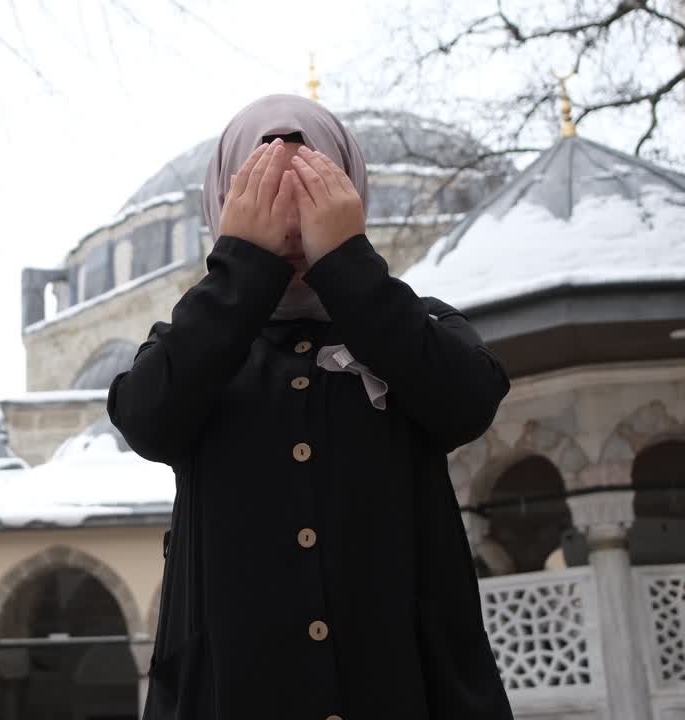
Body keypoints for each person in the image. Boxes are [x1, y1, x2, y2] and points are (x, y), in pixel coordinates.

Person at [108, 94, 515, 720]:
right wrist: (242, 266)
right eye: (264, 194)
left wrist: (348, 265)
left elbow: (466, 402)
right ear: (225, 204)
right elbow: (146, 419)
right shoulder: (198, 346)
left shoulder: (412, 326)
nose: (291, 221)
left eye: (311, 191)